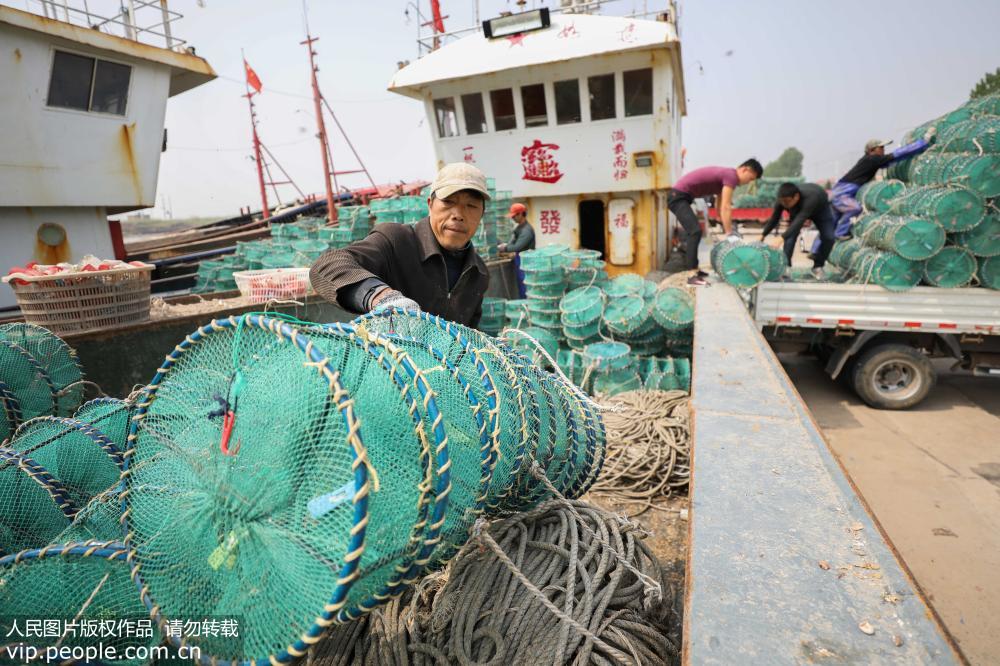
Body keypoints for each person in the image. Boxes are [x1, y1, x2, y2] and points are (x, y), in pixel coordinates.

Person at [310, 162, 490, 327]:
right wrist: (382, 297)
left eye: (471, 206)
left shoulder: (479, 273)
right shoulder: (395, 240)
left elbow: (469, 333)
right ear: (430, 204)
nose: (458, 214)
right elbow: (326, 266)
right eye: (448, 202)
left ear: (482, 214)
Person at [827, 129, 936, 241]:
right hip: (844, 190)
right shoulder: (873, 159)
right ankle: (840, 233)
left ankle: (818, 250)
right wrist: (923, 142)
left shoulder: (870, 160)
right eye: (881, 148)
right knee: (854, 208)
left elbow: (897, 158)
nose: (883, 150)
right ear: (872, 150)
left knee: (831, 222)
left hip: (840, 188)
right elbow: (897, 154)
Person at [668, 158, 764, 285]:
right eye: (750, 178)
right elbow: (726, 207)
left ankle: (695, 269)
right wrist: (729, 233)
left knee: (695, 231)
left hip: (682, 197)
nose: (748, 182)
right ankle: (691, 275)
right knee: (694, 231)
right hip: (678, 197)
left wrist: (722, 222)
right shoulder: (731, 177)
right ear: (744, 169)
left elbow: (720, 207)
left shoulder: (726, 177)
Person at [761, 182, 835, 279]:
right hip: (798, 210)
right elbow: (775, 218)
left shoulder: (811, 197)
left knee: (829, 237)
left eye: (787, 202)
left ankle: (818, 266)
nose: (784, 205)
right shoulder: (783, 200)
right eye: (782, 202)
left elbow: (800, 220)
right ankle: (786, 267)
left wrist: (781, 238)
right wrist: (763, 234)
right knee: (790, 237)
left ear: (796, 197)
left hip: (820, 210)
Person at [498, 202, 536, 299]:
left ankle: (527, 305)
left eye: (514, 216)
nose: (512, 218)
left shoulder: (526, 230)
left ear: (521, 214)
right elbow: (513, 242)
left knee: (525, 285)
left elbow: (518, 246)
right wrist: (506, 245)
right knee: (521, 285)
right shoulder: (519, 228)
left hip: (526, 262)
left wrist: (504, 248)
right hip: (520, 260)